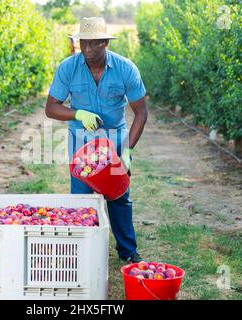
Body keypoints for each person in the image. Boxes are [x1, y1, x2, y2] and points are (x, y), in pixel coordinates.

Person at [45, 17, 148, 263]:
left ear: (105, 43)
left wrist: (127, 151)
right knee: (82, 197)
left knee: (118, 195)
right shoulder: (68, 68)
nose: (88, 50)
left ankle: (127, 251)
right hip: (81, 140)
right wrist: (77, 113)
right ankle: (84, 253)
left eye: (94, 44)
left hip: (114, 140)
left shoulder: (125, 69)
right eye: (84, 44)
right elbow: (51, 108)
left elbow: (141, 113)